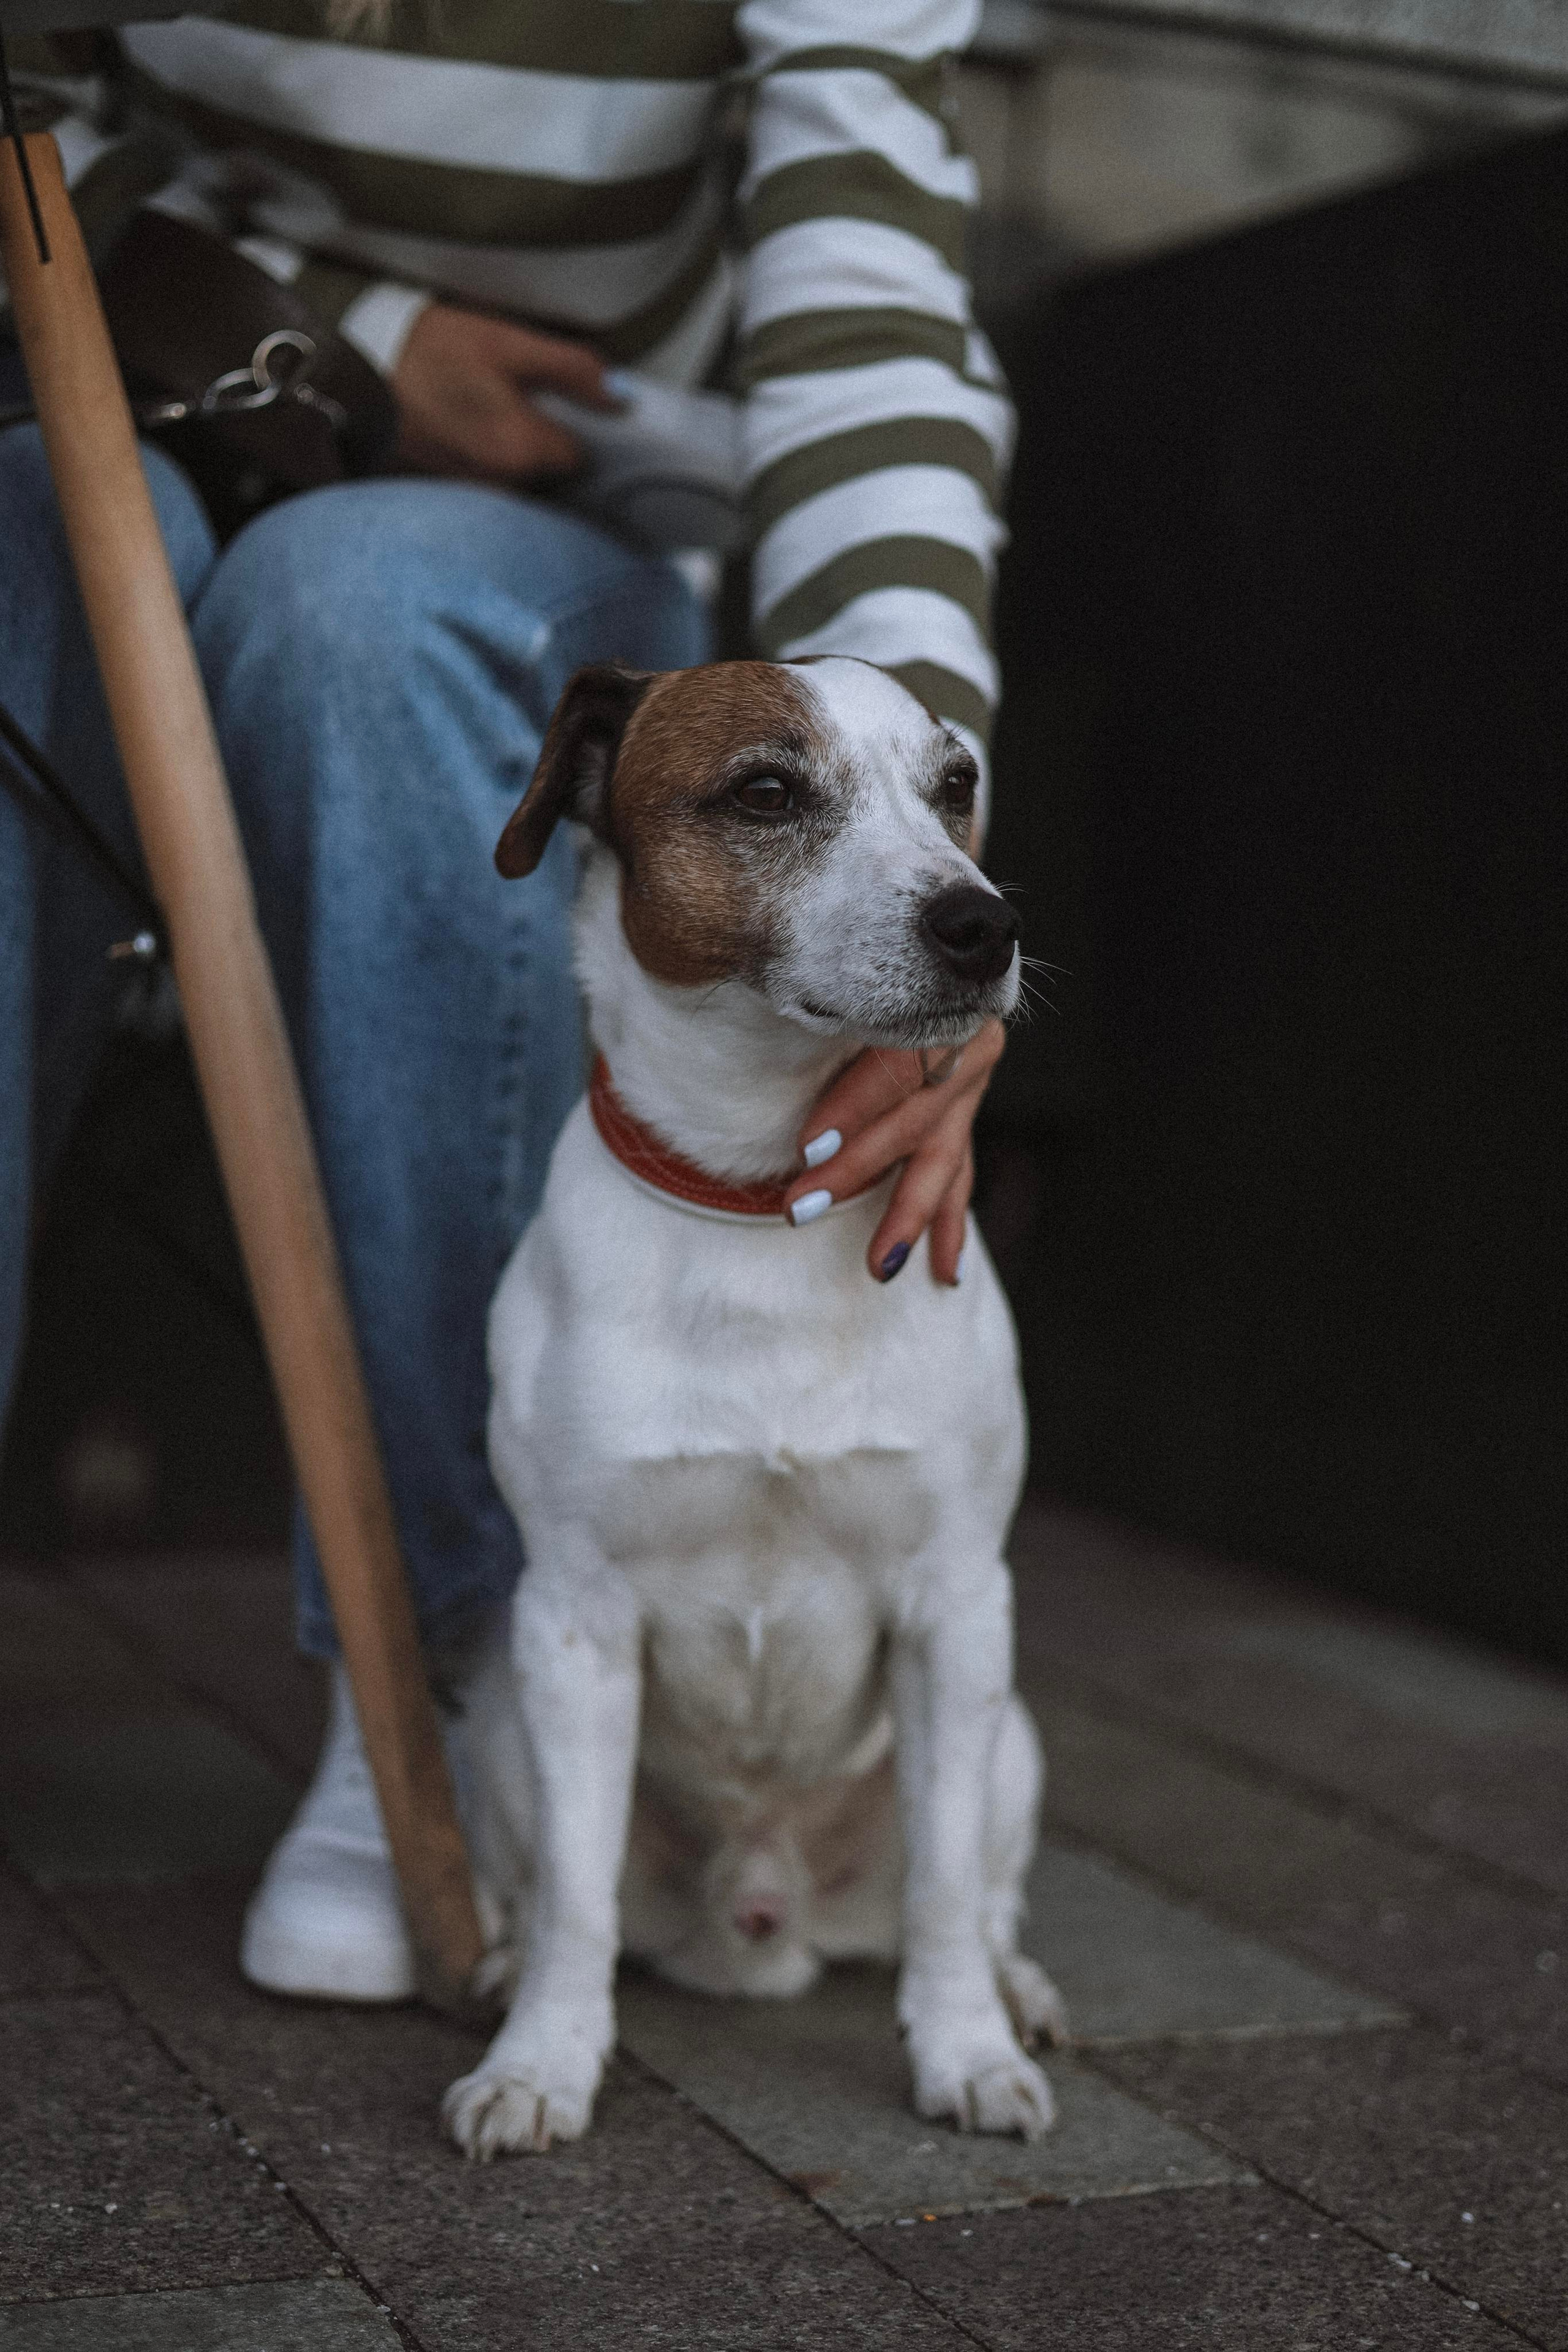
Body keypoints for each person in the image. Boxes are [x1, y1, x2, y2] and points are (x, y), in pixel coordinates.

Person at [0, 0, 1015, 2000]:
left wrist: (925, 865)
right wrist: (343, 334)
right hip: (130, 376)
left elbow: (865, 274)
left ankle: (444, 1671)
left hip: (578, 489)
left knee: (363, 620)